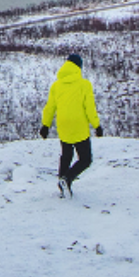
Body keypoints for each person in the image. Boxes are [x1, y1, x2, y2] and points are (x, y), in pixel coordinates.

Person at [39, 54, 104, 197]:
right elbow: (90, 108)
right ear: (79, 67)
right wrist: (97, 125)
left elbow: (50, 108)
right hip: (79, 126)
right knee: (85, 159)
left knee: (66, 155)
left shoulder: (56, 86)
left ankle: (62, 183)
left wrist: (45, 125)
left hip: (63, 125)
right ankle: (67, 179)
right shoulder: (85, 85)